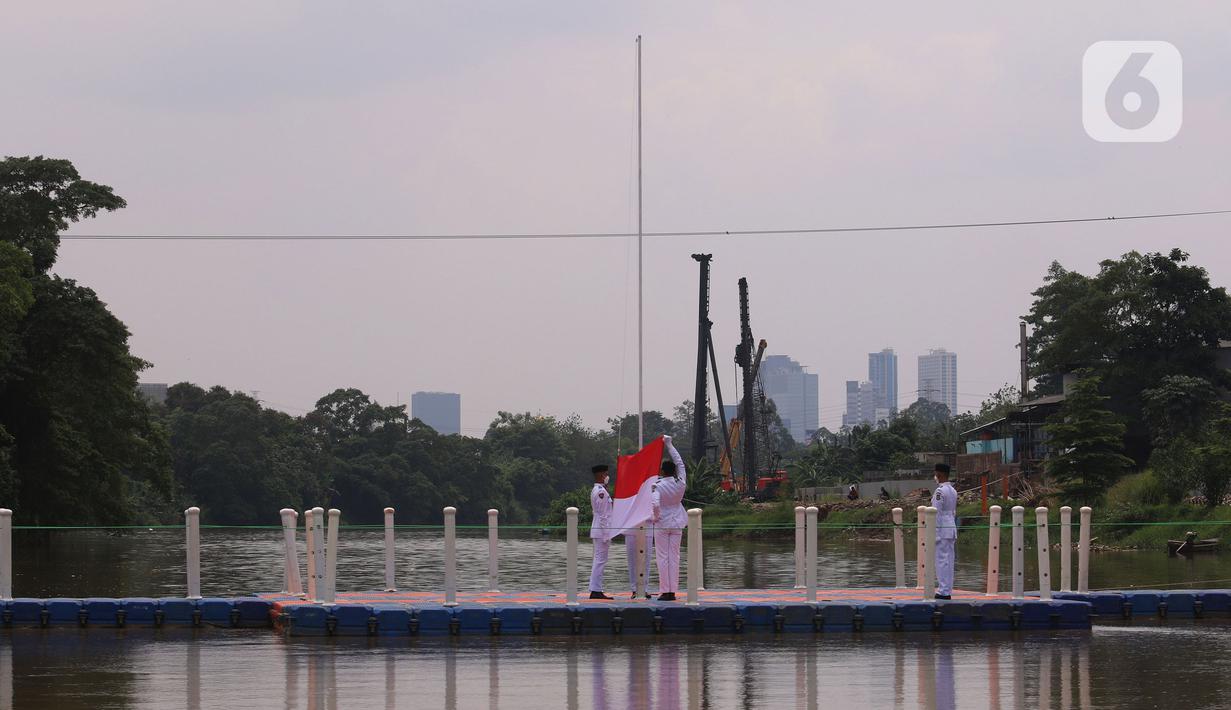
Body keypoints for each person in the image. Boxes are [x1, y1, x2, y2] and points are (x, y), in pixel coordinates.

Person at [651, 435, 687, 601]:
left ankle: (665, 591)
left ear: (662, 472)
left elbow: (656, 504)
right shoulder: (681, 483)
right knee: (675, 557)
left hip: (662, 523)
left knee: (662, 557)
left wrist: (655, 516)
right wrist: (670, 444)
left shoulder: (658, 486)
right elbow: (680, 463)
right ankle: (673, 591)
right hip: (677, 522)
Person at [587, 464, 614, 600]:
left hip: (599, 529)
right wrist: (606, 534)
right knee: (600, 560)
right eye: (606, 474)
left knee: (599, 560)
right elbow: (604, 515)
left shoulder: (599, 490)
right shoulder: (600, 492)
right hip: (601, 530)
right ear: (601, 475)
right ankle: (596, 590)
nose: (607, 476)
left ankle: (595, 589)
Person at [932, 463, 958, 600]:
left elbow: (936, 513)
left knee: (941, 560)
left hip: (942, 528)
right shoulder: (953, 490)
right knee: (949, 560)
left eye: (936, 474)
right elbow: (953, 512)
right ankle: (947, 589)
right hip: (951, 527)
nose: (935, 477)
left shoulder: (940, 491)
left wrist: (935, 533)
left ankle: (943, 591)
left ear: (940, 474)